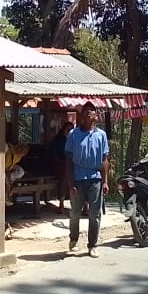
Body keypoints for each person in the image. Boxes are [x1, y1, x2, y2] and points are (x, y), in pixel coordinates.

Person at [64, 103, 109, 258]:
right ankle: (73, 239)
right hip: (77, 178)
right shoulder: (73, 135)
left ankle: (93, 245)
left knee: (94, 214)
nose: (90, 113)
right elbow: (68, 160)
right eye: (87, 111)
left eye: (92, 111)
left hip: (95, 178)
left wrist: (105, 181)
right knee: (75, 212)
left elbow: (104, 159)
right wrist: (70, 184)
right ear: (82, 116)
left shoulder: (101, 135)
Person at [50, 121, 74, 209]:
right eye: (67, 130)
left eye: (72, 130)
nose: (69, 132)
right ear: (63, 130)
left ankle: (85, 205)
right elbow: (54, 156)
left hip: (72, 166)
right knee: (65, 176)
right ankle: (61, 203)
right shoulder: (57, 141)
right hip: (58, 166)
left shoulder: (75, 141)